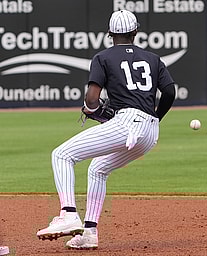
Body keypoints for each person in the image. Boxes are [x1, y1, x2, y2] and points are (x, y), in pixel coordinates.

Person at [36, 10, 175, 249]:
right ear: (135, 32)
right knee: (98, 168)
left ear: (110, 33)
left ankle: (69, 213)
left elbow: (92, 100)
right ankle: (89, 233)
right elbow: (170, 92)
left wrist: (94, 111)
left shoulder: (103, 57)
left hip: (127, 121)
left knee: (62, 154)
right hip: (150, 131)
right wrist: (155, 117)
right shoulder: (153, 58)